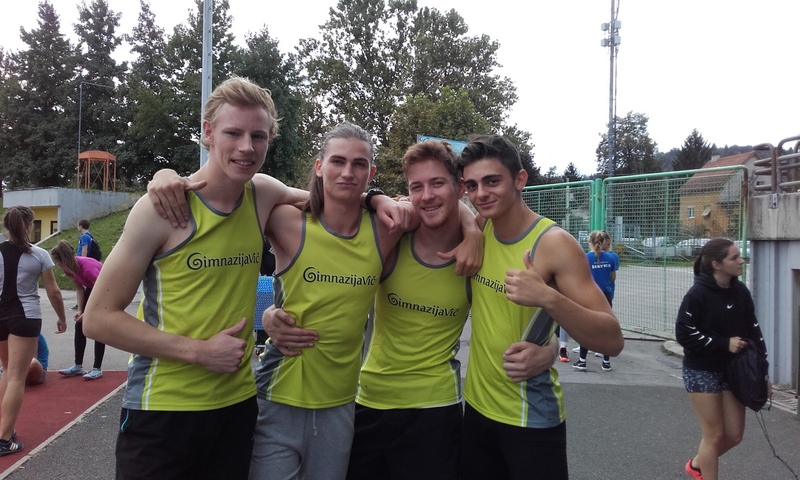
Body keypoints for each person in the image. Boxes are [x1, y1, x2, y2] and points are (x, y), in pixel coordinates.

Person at [82, 77, 311, 480]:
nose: (246, 147)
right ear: (208, 132)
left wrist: (379, 198)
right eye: (233, 133)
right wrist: (198, 352)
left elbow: (333, 201)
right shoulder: (160, 209)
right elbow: (98, 318)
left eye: (258, 136)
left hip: (237, 408)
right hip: (163, 411)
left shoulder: (262, 193)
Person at [249, 125, 482, 480]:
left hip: (347, 405)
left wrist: (473, 229)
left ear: (370, 172)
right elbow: (240, 190)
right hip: (283, 396)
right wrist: (167, 178)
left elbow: (442, 205)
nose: (347, 172)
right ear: (319, 166)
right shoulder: (286, 220)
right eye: (337, 161)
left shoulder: (385, 229)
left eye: (358, 164)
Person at [458, 134, 624, 480]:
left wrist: (548, 298)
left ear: (519, 180)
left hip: (530, 417)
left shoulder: (554, 244)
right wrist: (470, 229)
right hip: (476, 409)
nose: (481, 193)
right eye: (472, 185)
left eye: (492, 181)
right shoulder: (480, 227)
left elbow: (611, 340)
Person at [675, 238, 769, 480]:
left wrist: (763, 374)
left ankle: (697, 464)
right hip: (701, 370)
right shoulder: (697, 294)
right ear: (717, 264)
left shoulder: (741, 291)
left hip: (734, 369)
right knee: (714, 435)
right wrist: (723, 343)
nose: (741, 261)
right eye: (734, 258)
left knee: (734, 435)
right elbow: (684, 333)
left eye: (740, 256)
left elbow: (754, 332)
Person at [0, 206, 67, 456]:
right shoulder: (39, 254)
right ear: (29, 225)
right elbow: (54, 291)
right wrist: (62, 318)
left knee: (8, 370)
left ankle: (3, 429)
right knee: (17, 376)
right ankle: (4, 438)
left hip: (0, 316)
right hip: (25, 317)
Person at [51, 241, 105, 380]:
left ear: (64, 260)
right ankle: (78, 366)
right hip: (92, 289)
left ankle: (97, 368)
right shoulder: (68, 269)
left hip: (106, 290)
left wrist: (89, 313)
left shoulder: (87, 268)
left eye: (58, 263)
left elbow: (101, 290)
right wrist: (81, 310)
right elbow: (79, 289)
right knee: (79, 325)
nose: (57, 266)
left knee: (98, 326)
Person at [573, 230, 618, 372]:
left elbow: (580, 278)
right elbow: (613, 278)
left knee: (586, 328)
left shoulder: (585, 258)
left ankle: (582, 361)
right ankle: (606, 362)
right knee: (606, 327)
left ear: (590, 242)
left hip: (590, 295)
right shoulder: (610, 257)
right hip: (606, 295)